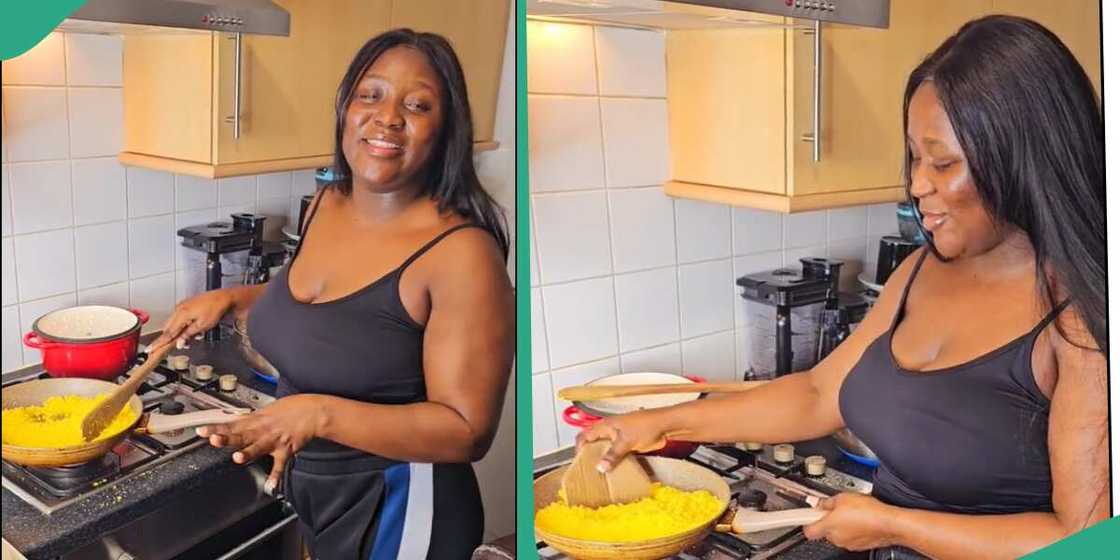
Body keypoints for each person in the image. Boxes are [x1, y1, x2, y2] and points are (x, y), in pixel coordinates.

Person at [580, 15, 1107, 560]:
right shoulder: (919, 271)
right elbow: (817, 394)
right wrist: (659, 422)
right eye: (914, 156)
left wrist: (897, 526)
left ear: (1026, 159)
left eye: (943, 162)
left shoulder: (1083, 320)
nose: (916, 183)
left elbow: (1087, 542)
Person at [154, 29, 515, 559]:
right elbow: (332, 301)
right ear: (346, 107)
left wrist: (317, 414)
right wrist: (237, 299)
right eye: (371, 95)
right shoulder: (329, 200)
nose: (388, 116)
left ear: (445, 130)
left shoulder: (462, 255)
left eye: (417, 105)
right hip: (317, 486)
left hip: (400, 500)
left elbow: (466, 431)